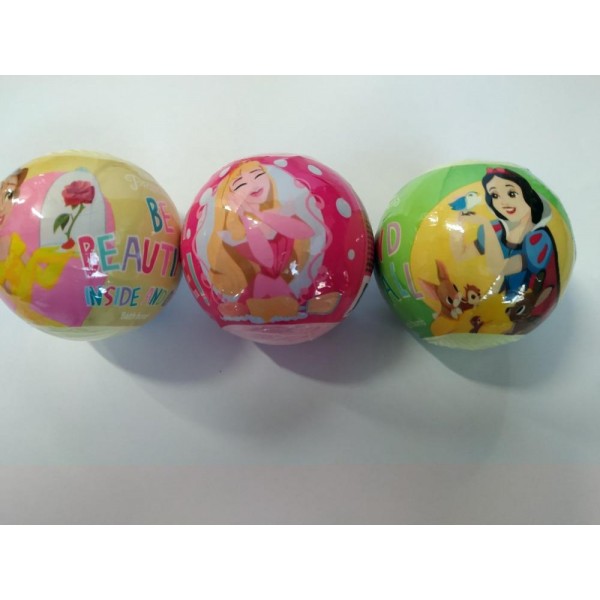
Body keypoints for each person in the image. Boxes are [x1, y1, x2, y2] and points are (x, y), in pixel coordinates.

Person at [207, 160, 315, 320]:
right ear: (230, 197)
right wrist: (246, 218)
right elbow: (267, 260)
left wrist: (259, 215)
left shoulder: (283, 210)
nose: (253, 184)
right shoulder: (233, 233)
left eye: (258, 175)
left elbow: (306, 232)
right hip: (261, 286)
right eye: (240, 184)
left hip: (277, 285)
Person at [450, 167, 559, 308]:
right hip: (499, 306)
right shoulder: (497, 229)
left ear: (528, 196)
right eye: (495, 195)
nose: (503, 202)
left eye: (511, 193)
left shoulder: (539, 239)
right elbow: (461, 255)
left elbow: (499, 268)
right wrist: (456, 223)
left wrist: (485, 224)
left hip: (523, 309)